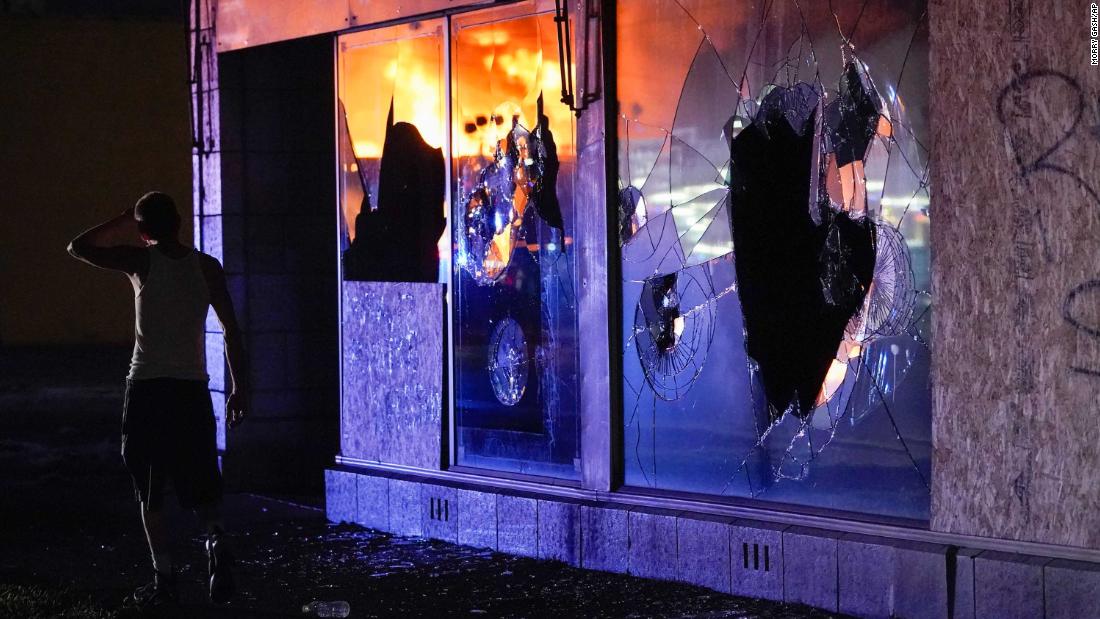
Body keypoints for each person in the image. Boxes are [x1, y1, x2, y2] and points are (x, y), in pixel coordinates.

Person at [67, 191, 248, 609]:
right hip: (191, 390)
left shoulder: (140, 262)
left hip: (148, 388)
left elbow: (78, 247)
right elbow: (232, 333)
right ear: (181, 223)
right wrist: (240, 388)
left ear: (144, 230)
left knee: (149, 490)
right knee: (203, 486)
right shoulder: (207, 267)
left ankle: (164, 578)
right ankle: (217, 541)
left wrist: (118, 218)